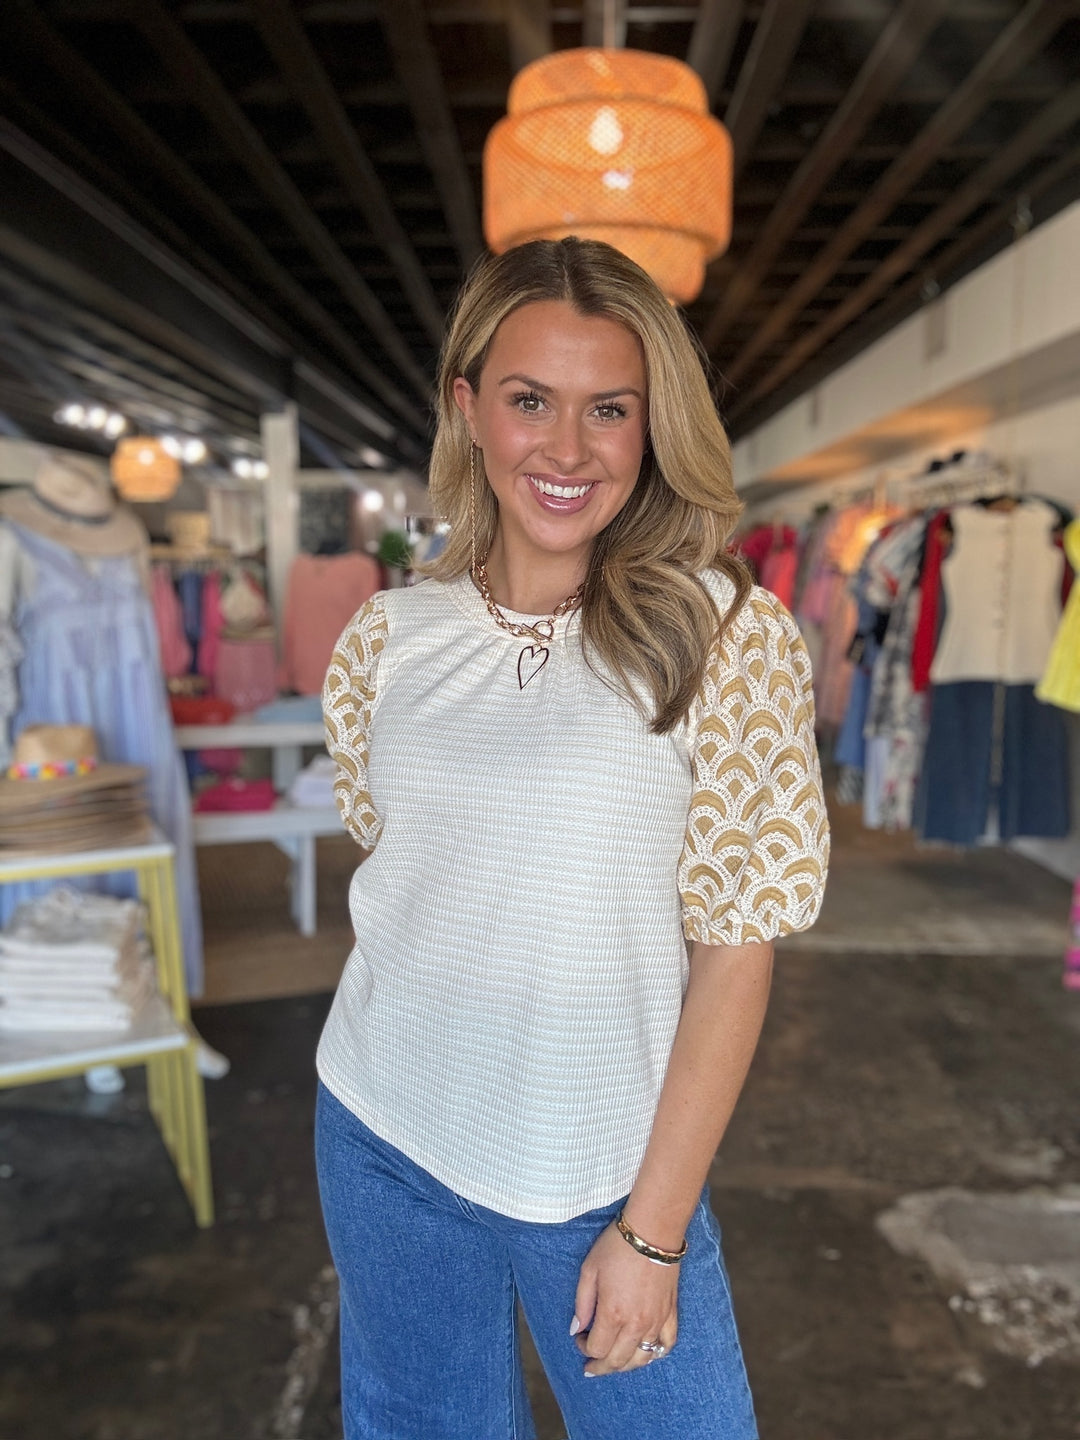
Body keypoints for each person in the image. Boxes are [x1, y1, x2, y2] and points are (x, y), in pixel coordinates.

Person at [317, 237, 829, 1440]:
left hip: (602, 1173)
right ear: (470, 410)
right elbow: (404, 869)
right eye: (528, 400)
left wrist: (653, 1230)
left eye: (609, 409)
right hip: (384, 1132)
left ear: (653, 429)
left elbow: (737, 950)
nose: (565, 448)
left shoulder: (722, 635)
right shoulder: (389, 639)